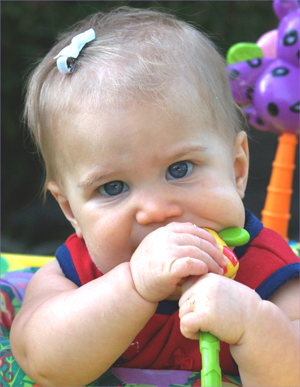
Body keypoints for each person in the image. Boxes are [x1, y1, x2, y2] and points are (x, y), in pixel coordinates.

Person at [10, 7, 299, 387]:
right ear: (71, 211)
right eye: (112, 187)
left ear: (237, 168)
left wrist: (254, 325)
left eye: (180, 169)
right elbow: (42, 362)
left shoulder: (270, 272)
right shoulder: (75, 274)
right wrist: (134, 284)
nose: (156, 210)